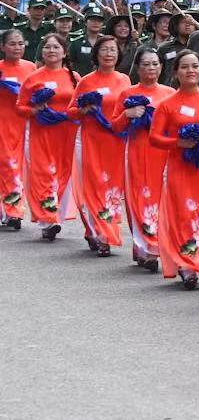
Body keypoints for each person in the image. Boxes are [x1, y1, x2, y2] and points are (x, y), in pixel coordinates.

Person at [152, 50, 199, 289]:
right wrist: (178, 143)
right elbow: (155, 138)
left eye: (195, 66)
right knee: (183, 213)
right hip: (179, 166)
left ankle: (197, 257)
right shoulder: (167, 105)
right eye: (185, 67)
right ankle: (186, 264)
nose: (191, 71)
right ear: (176, 73)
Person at [70, 34, 133, 256]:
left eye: (113, 50)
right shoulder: (87, 81)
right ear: (97, 53)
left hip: (116, 141)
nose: (109, 54)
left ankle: (103, 229)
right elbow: (71, 110)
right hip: (92, 140)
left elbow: (128, 107)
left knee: (113, 190)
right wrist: (84, 110)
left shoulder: (124, 80)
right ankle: (101, 234)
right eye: (104, 50)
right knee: (96, 187)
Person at [116, 47, 174, 272]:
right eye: (146, 64)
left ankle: (150, 247)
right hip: (137, 151)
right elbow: (115, 125)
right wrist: (127, 115)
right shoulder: (127, 94)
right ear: (137, 68)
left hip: (163, 154)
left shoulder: (170, 93)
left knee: (160, 200)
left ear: (161, 67)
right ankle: (146, 248)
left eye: (155, 64)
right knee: (138, 199)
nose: (151, 68)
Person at [18, 34, 81, 241]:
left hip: (67, 132)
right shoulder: (33, 78)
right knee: (44, 173)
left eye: (56, 47)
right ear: (42, 52)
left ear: (64, 52)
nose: (51, 51)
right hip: (41, 132)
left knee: (62, 174)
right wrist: (34, 109)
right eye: (47, 47)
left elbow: (81, 104)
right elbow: (21, 107)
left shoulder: (74, 77)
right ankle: (48, 219)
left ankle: (55, 216)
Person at [0, 27, 29, 230]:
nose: (17, 47)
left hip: (24, 125)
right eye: (12, 43)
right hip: (2, 123)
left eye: (20, 43)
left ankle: (13, 210)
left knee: (18, 167)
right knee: (6, 165)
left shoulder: (30, 68)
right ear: (2, 47)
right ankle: (9, 210)